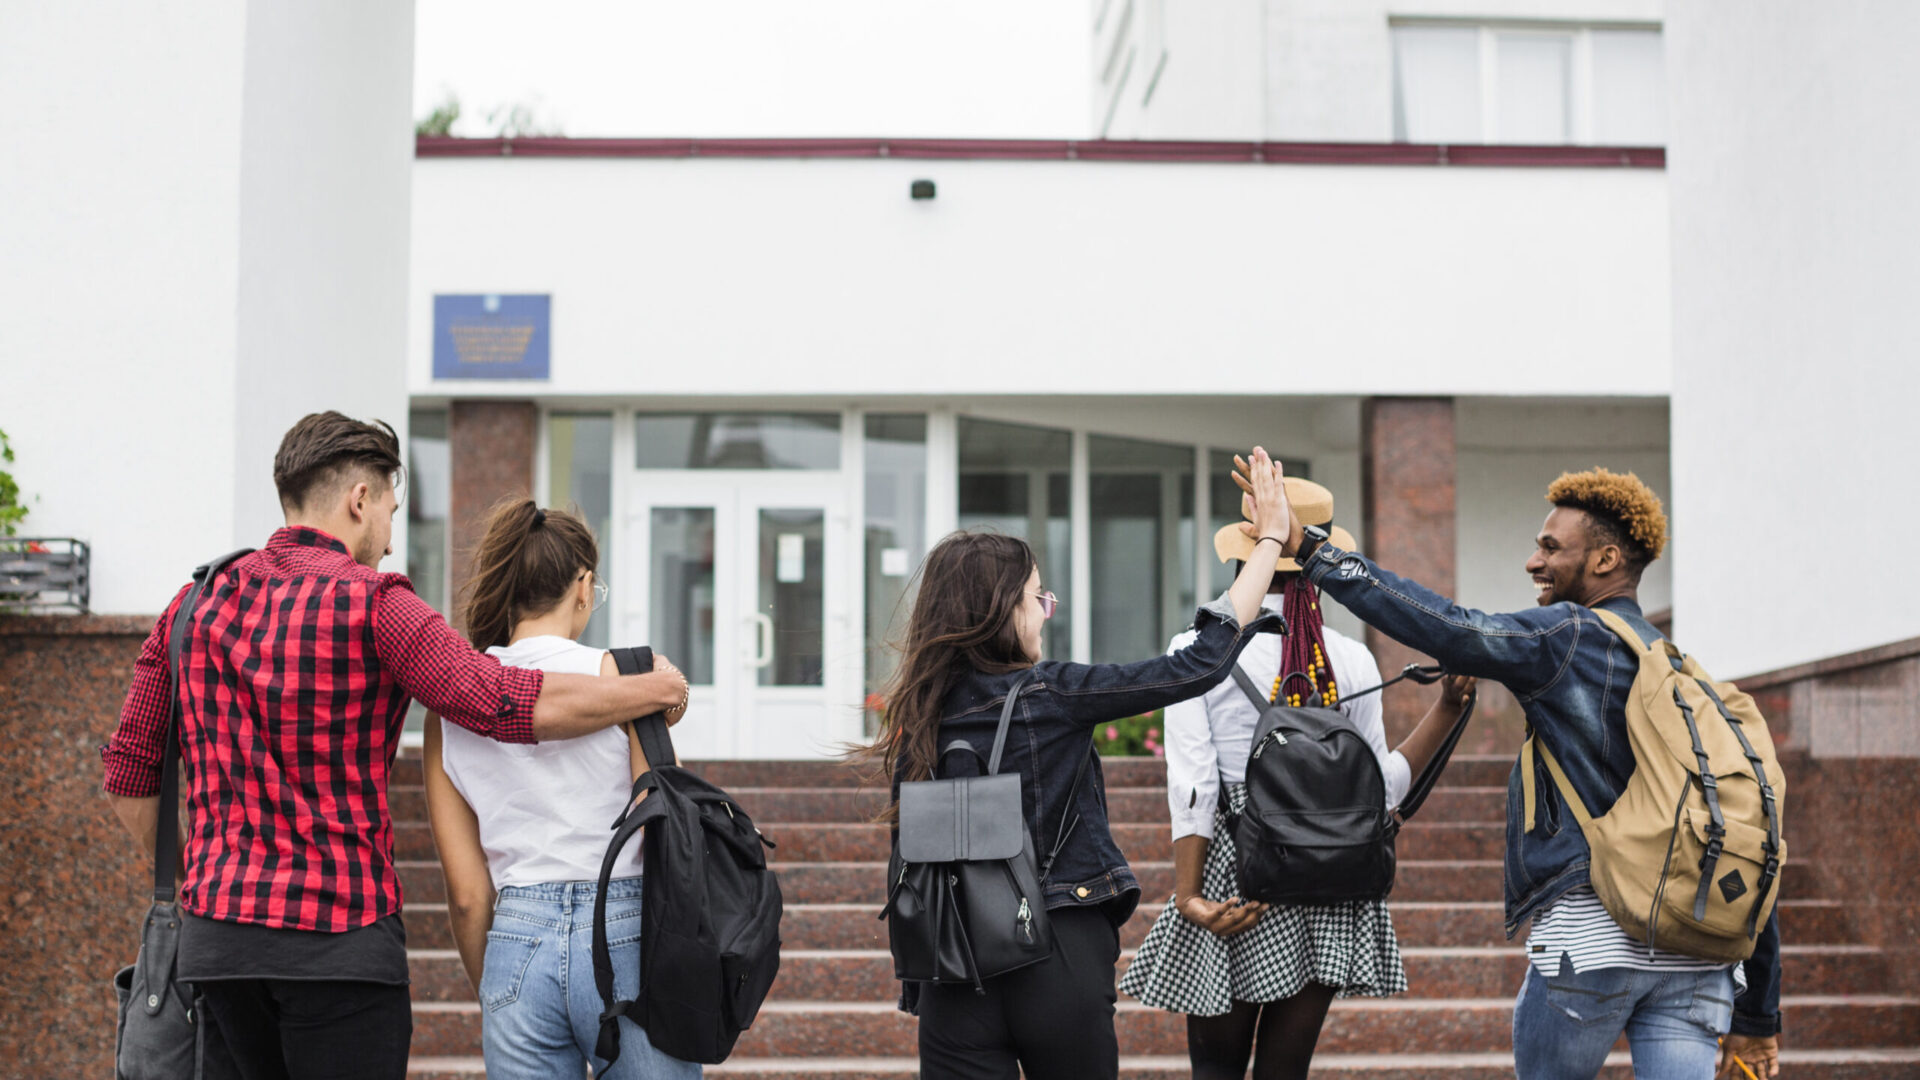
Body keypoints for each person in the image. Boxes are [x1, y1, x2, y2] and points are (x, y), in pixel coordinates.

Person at [101, 412, 690, 1080]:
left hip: (217, 949)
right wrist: (650, 689)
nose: (386, 538)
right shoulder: (378, 602)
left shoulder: (192, 604)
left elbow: (128, 776)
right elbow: (497, 698)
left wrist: (202, 887)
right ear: (360, 500)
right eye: (390, 509)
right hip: (340, 943)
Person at [1233, 459, 1782, 1080]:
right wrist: (1759, 1014)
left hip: (1592, 943)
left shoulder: (1569, 635)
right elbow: (1739, 830)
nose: (1533, 562)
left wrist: (1308, 547)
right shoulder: (1685, 674)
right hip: (1700, 960)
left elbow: (1450, 627)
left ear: (1604, 561)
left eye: (1551, 547)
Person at [857, 446, 1295, 1080]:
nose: (1046, 614)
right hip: (1056, 944)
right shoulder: (1052, 693)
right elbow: (1197, 664)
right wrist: (1272, 540)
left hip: (951, 964)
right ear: (1004, 609)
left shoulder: (919, 713)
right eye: (1040, 599)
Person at [1121, 476, 1476, 1080]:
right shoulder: (1351, 658)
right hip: (1327, 872)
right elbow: (1380, 793)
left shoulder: (1197, 649)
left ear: (1243, 552)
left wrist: (1188, 895)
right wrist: (1445, 710)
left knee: (1216, 1070)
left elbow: (1196, 788)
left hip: (1237, 870)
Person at [421, 498, 698, 1080]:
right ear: (582, 586)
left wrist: (496, 984)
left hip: (516, 934)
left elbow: (468, 893)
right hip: (626, 924)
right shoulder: (628, 679)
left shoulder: (451, 710)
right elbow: (660, 821)